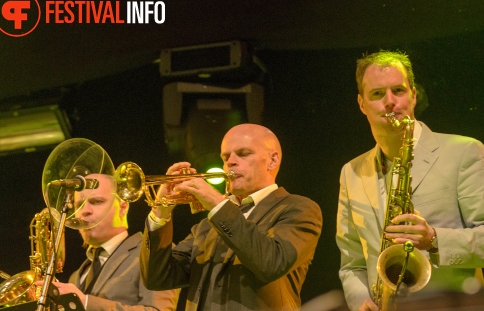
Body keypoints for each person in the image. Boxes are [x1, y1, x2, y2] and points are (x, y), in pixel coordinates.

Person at [336, 50, 484, 310]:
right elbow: (352, 263)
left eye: (398, 90)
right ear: (361, 104)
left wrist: (434, 239)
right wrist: (362, 303)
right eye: (377, 94)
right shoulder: (351, 171)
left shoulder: (464, 152)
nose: (390, 101)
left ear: (414, 95)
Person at [140, 123, 323, 311]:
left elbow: (271, 263)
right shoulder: (207, 224)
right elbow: (158, 278)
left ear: (272, 160)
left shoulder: (298, 208)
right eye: (225, 157)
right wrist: (160, 212)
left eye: (243, 154)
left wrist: (217, 204)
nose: (231, 162)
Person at [38, 173, 180, 311]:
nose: (84, 211)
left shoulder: (154, 254)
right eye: (79, 205)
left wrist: (87, 303)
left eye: (96, 201)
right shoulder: (77, 275)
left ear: (123, 208)